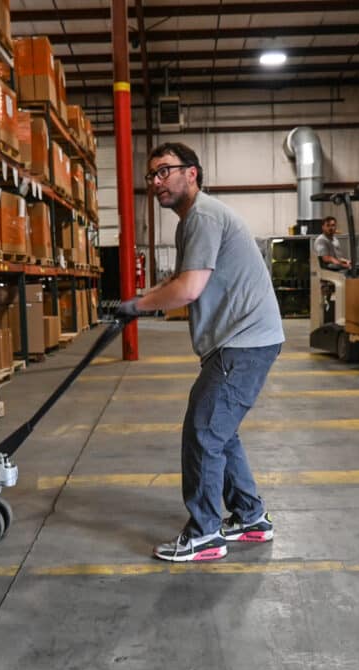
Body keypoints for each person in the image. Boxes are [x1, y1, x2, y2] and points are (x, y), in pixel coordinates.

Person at [115, 142, 284, 562]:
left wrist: (137, 305)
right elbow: (182, 280)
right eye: (151, 175)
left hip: (243, 342)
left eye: (165, 171)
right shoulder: (194, 220)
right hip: (242, 340)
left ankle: (206, 533)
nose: (156, 181)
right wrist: (141, 299)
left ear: (192, 173)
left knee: (204, 433)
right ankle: (250, 517)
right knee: (220, 433)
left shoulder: (203, 215)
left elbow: (188, 290)